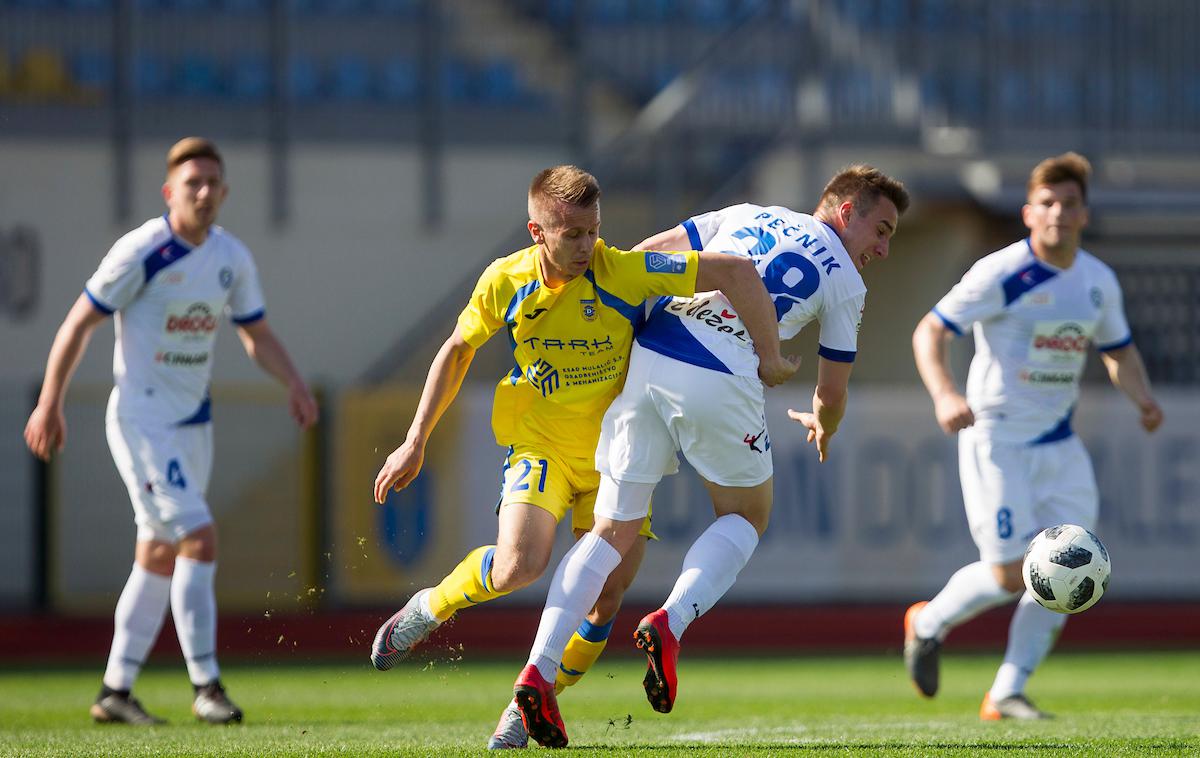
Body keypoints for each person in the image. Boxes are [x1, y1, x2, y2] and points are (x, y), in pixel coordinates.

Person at [368, 165, 797, 749]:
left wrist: (769, 347)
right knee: (521, 564)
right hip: (542, 444)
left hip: (617, 456)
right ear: (536, 231)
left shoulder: (621, 270)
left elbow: (728, 270)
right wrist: (416, 438)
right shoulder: (505, 280)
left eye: (593, 231)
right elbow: (458, 348)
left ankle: (527, 703)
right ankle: (428, 609)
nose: (586, 246)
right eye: (571, 234)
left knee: (608, 597)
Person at [508, 165, 910, 748]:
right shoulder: (845, 278)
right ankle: (670, 621)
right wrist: (824, 424)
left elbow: (652, 253)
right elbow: (833, 388)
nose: (883, 248)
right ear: (846, 211)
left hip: (650, 357)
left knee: (609, 532)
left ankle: (537, 671)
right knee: (747, 516)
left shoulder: (746, 212)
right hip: (722, 370)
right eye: (882, 229)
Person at [24, 137, 319, 726]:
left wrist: (294, 381)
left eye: (213, 182)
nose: (205, 192)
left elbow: (254, 332)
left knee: (158, 554)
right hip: (142, 419)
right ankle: (207, 685)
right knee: (199, 536)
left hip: (193, 425)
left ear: (226, 192)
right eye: (193, 183)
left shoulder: (231, 256)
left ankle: (115, 691)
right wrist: (50, 401)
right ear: (170, 192)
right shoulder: (141, 251)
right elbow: (79, 323)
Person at [905, 152, 1163, 720]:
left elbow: (1119, 352)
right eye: (1048, 203)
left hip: (1060, 445)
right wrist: (946, 394)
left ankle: (1007, 690)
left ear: (1084, 215)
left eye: (1070, 204)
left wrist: (1141, 397)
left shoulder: (1098, 282)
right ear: (1028, 213)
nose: (1059, 214)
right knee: (1005, 575)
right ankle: (926, 623)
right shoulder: (1001, 273)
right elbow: (931, 331)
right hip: (995, 438)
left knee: (1070, 568)